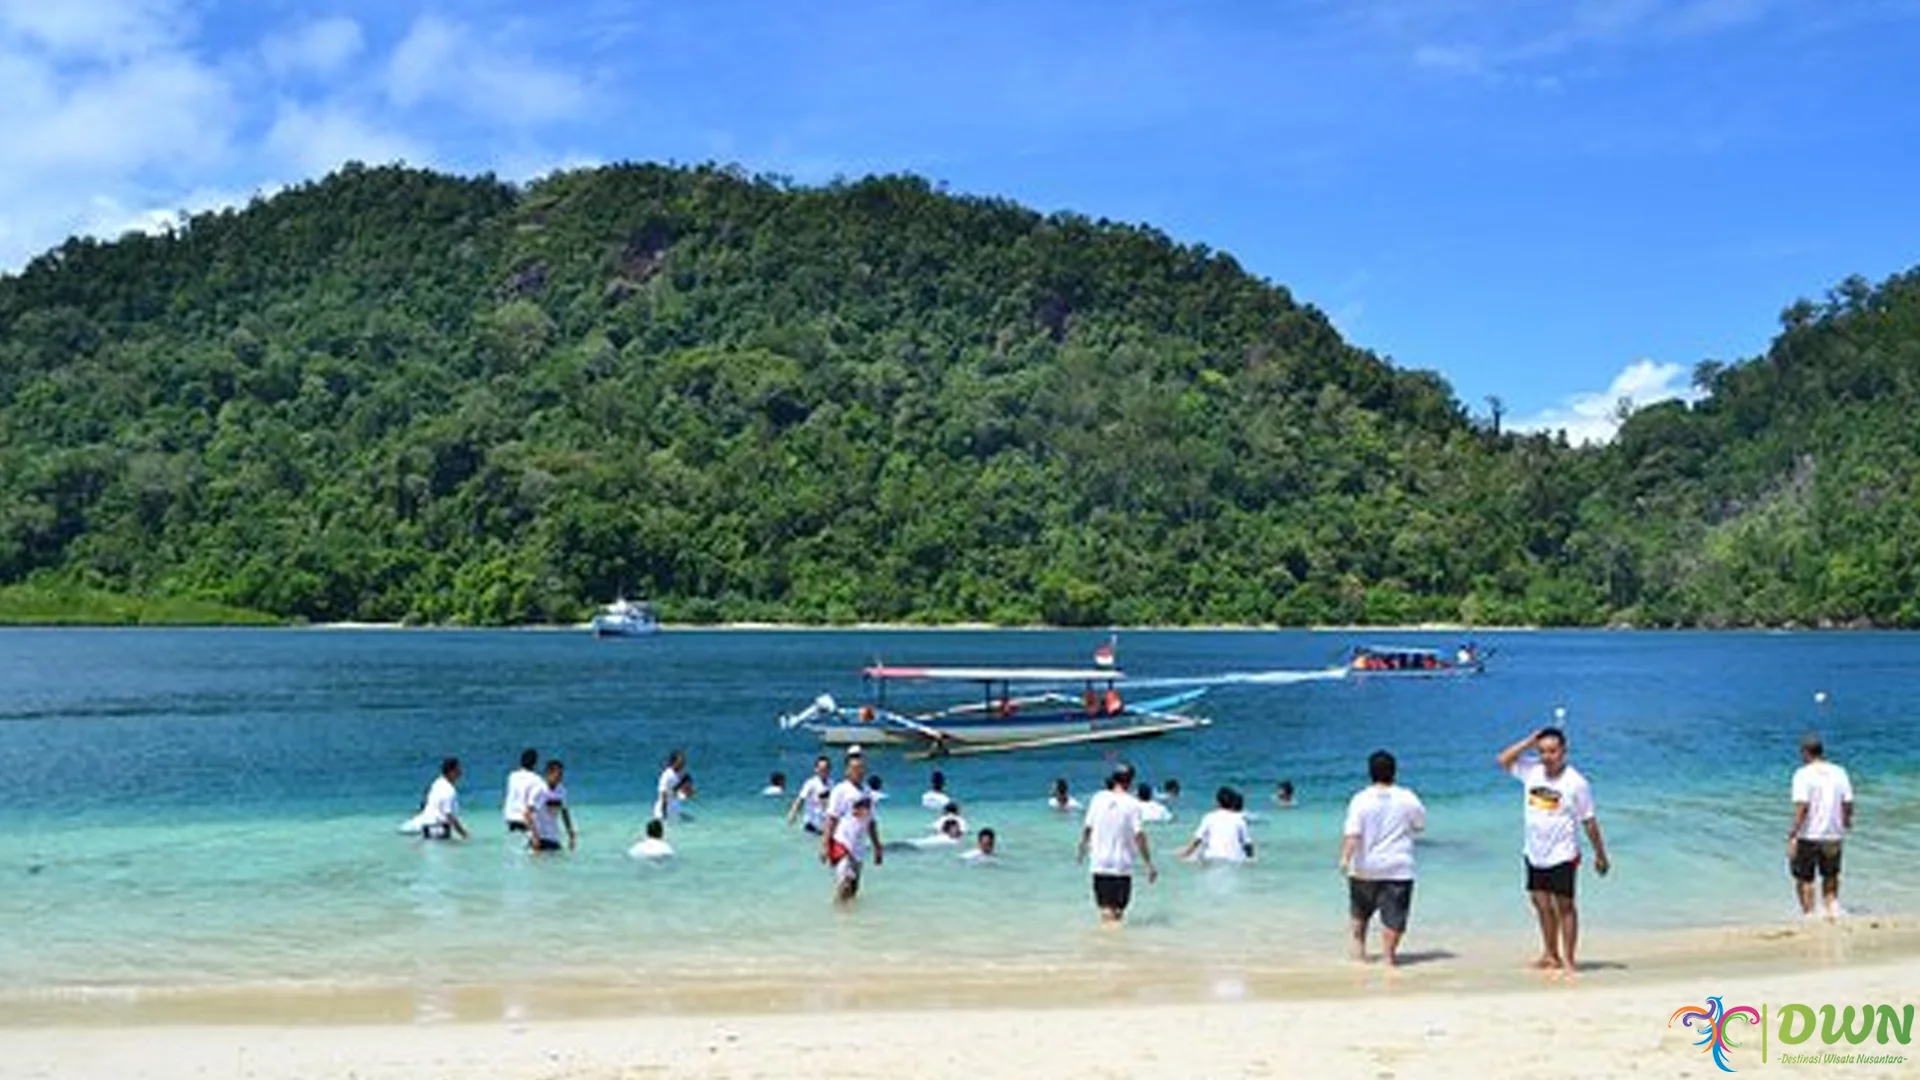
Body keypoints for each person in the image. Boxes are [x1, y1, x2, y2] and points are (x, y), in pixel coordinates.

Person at [1497, 726, 1611, 977]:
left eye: (1552, 751)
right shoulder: (1531, 771)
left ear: (1563, 751)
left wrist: (1600, 855)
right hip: (1534, 852)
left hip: (1563, 854)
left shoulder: (1576, 782)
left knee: (1565, 906)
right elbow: (1503, 760)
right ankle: (1550, 954)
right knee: (1540, 904)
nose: (1547, 756)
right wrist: (1529, 741)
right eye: (1542, 751)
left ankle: (1569, 961)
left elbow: (1589, 821)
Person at [1340, 750, 1425, 967]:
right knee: (1394, 916)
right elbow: (1419, 825)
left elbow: (1352, 834)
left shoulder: (1360, 799)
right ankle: (1388, 957)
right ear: (1394, 772)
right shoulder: (1407, 797)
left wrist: (1344, 859)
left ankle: (1360, 953)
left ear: (1370, 773)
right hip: (1398, 867)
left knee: (1360, 912)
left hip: (1364, 867)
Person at [1077, 766, 1156, 924]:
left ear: (1113, 778)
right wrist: (1149, 864)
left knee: (1105, 910)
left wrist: (1082, 849)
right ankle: (1114, 944)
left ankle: (1107, 944)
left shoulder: (1097, 798)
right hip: (1122, 864)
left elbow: (1087, 828)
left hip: (1099, 862)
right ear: (1131, 781)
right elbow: (1139, 835)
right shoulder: (1133, 804)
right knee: (1118, 912)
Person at [1789, 733, 1854, 920]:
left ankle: (1810, 916)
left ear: (1805, 753)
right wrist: (1846, 821)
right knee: (1831, 876)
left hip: (1809, 835)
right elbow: (1848, 802)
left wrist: (1793, 833)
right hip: (1833, 833)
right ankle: (1832, 911)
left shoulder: (1802, 774)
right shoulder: (1839, 771)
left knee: (1805, 879)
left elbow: (1803, 806)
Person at [823, 747, 882, 903]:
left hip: (858, 846)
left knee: (854, 889)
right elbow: (831, 819)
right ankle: (837, 915)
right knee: (846, 883)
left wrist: (877, 847)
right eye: (855, 769)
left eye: (862, 768)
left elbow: (871, 822)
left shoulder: (867, 792)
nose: (859, 772)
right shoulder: (840, 790)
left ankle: (848, 920)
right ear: (847, 771)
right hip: (841, 842)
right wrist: (824, 845)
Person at [1180, 786, 1253, 864]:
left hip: (1213, 857)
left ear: (1217, 802)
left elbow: (1197, 840)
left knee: (1200, 851)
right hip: (1234, 859)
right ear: (1233, 802)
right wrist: (1251, 859)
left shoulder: (1209, 817)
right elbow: (1247, 844)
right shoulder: (1240, 820)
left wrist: (1185, 854)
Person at [401, 757, 469, 840]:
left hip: (426, 826)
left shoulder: (437, 783)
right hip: (437, 829)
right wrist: (464, 834)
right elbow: (449, 815)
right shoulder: (449, 790)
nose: (461, 773)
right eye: (458, 770)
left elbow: (425, 804)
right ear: (451, 772)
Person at [525, 758, 575, 853]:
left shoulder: (562, 791)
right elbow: (527, 814)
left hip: (553, 838)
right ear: (549, 773)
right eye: (558, 774)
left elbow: (565, 813)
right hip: (539, 839)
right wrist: (535, 836)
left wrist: (571, 834)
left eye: (561, 774)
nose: (560, 777)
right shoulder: (539, 790)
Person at [787, 755, 833, 834]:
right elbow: (800, 799)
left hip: (823, 825)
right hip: (810, 824)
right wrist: (793, 814)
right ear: (816, 769)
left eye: (826, 769)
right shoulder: (810, 783)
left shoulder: (831, 783)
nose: (824, 771)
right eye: (821, 769)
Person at [503, 748, 543, 834]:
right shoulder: (537, 780)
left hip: (510, 818)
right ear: (535, 763)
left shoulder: (512, 776)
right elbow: (531, 807)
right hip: (525, 821)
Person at [654, 749, 686, 822]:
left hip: (674, 809)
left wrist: (684, 793)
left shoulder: (678, 774)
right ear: (674, 762)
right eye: (680, 762)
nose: (682, 764)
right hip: (663, 810)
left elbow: (675, 791)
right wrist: (664, 813)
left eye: (683, 762)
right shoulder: (666, 775)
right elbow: (663, 794)